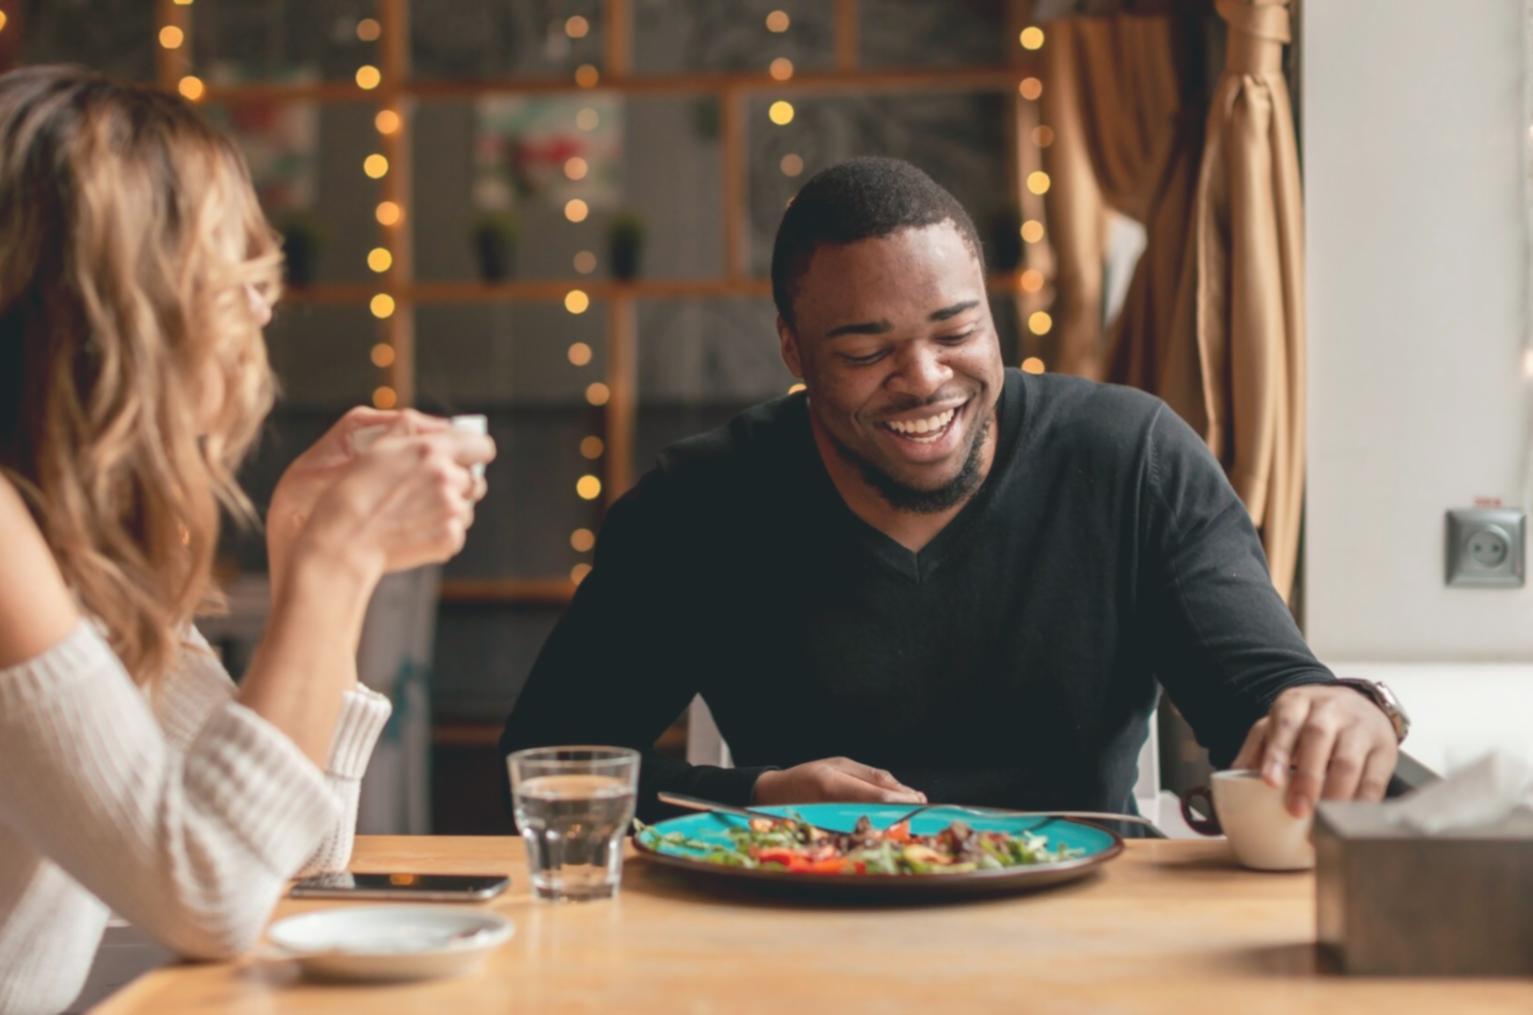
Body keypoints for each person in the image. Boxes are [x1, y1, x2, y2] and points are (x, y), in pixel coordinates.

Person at [0, 67, 492, 1014]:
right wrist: (338, 567)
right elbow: (208, 894)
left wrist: (300, 549)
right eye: (236, 271)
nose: (262, 311)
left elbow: (295, 850)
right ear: (108, 297)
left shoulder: (59, 536)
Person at [501, 157, 1404, 824]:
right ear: (793, 352)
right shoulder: (698, 504)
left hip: (1082, 938)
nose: (925, 378)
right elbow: (541, 774)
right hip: (798, 931)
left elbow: (1267, 698)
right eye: (864, 351)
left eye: (956, 330)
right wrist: (756, 798)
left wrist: (1344, 708)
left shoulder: (1128, 458)